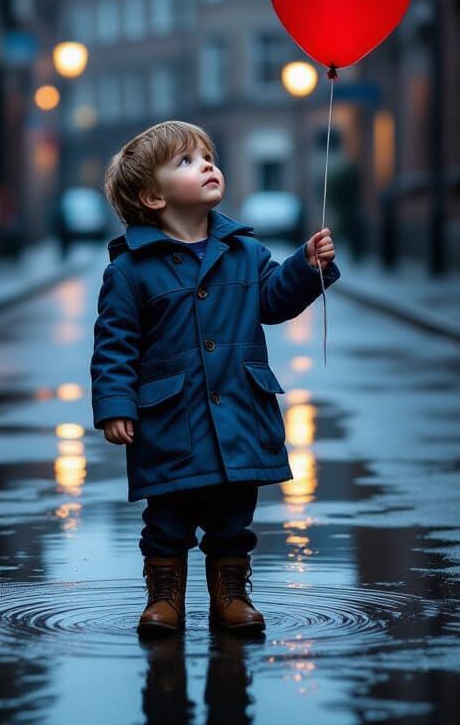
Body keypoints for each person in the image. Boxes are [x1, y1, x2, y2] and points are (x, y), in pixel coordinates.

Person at [89, 120, 339, 637]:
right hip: (170, 420)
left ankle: (231, 595)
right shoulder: (131, 271)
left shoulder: (245, 252)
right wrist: (116, 404)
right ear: (152, 196)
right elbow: (115, 344)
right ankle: (165, 598)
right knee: (168, 520)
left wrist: (306, 267)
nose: (206, 164)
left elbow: (271, 302)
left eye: (208, 155)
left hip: (239, 417)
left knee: (232, 519)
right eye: (186, 161)